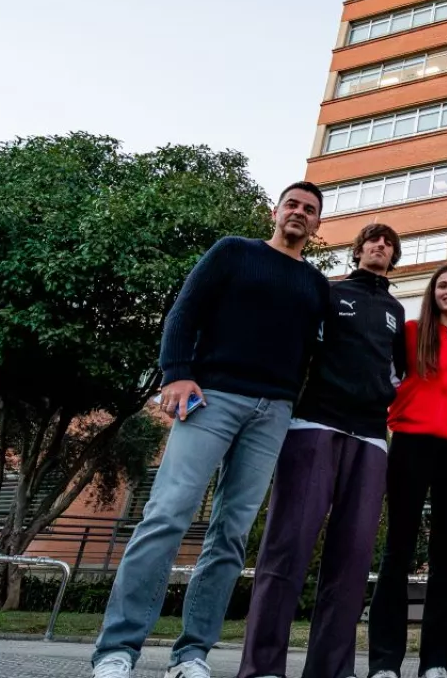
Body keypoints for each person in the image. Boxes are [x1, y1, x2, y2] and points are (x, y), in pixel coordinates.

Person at [91, 183, 332, 678]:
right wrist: (176, 372)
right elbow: (184, 312)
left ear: (317, 225)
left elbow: (318, 354)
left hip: (275, 413)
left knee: (231, 533)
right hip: (213, 397)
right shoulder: (232, 252)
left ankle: (192, 653)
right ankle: (117, 649)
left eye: (310, 210)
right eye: (292, 204)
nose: (299, 213)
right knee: (166, 516)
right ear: (275, 212)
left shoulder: (315, 284)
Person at [238, 224, 408, 678]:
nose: (380, 247)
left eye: (388, 244)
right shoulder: (328, 293)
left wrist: (378, 398)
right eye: (373, 240)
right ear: (357, 250)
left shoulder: (396, 310)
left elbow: (399, 375)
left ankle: (331, 668)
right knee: (287, 548)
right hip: (315, 424)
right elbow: (300, 349)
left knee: (352, 559)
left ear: (394, 257)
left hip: (370, 436)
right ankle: (262, 667)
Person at [368, 264, 447, 678]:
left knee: (444, 554)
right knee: (397, 550)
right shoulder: (411, 331)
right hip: (410, 443)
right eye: (443, 286)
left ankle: (437, 662)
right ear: (433, 293)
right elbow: (385, 372)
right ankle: (385, 663)